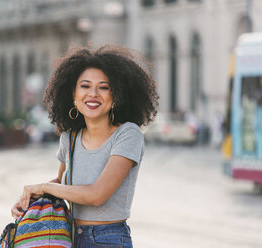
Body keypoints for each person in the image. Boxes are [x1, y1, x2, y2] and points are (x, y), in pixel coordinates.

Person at [11, 45, 159, 247]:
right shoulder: (69, 138)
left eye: (104, 87)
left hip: (108, 239)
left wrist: (45, 187)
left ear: (116, 95)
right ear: (73, 94)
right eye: (85, 86)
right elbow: (63, 183)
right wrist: (30, 199)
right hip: (69, 237)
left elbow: (97, 195)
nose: (93, 94)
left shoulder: (127, 134)